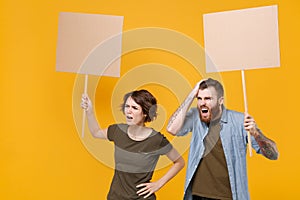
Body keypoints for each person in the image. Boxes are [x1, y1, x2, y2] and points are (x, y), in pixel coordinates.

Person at [167, 78, 278, 200]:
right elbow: (172, 129)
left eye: (208, 98)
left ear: (220, 101)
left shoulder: (240, 121)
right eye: (199, 99)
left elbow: (273, 155)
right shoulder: (195, 117)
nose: (202, 103)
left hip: (229, 196)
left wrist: (256, 134)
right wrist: (192, 94)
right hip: (197, 195)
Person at [81, 89, 185, 200]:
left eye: (134, 108)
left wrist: (158, 184)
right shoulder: (118, 131)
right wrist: (89, 111)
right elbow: (96, 132)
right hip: (116, 197)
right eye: (127, 106)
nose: (129, 111)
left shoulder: (156, 140)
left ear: (145, 113)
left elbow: (179, 162)